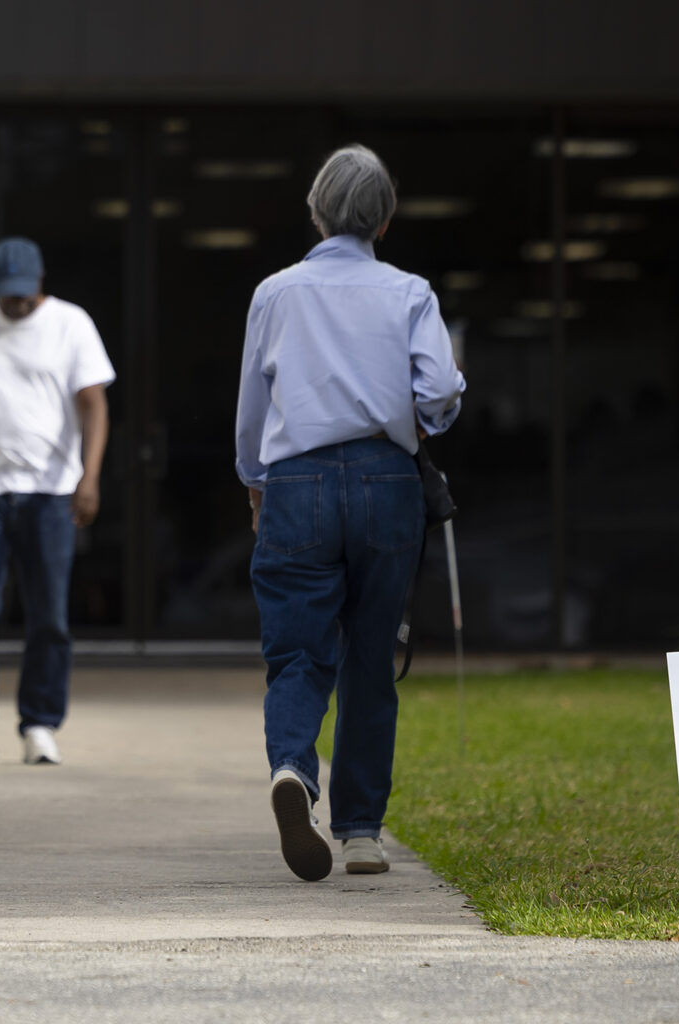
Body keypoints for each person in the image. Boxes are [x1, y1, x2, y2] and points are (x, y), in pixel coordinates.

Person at [234, 145, 466, 880]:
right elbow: (441, 389)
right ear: (386, 220)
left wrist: (254, 480)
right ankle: (361, 831)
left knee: (298, 651)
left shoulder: (275, 292)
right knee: (372, 652)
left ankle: (294, 771)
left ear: (314, 209)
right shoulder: (411, 293)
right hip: (384, 479)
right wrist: (423, 418)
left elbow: (252, 409)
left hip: (296, 480)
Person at [0, 237, 115, 765]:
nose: (14, 305)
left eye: (22, 295)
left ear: (40, 284)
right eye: (5, 295)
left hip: (52, 488)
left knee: (49, 613)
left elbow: (94, 406)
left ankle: (39, 724)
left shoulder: (71, 324)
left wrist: (90, 477)